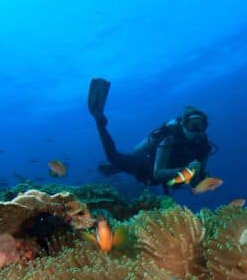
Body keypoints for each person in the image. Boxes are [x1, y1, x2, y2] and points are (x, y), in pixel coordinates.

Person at [88, 78, 216, 194]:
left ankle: (116, 168)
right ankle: (98, 115)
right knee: (114, 157)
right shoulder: (169, 139)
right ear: (183, 125)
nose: (195, 130)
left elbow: (197, 177)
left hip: (171, 178)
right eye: (191, 125)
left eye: (200, 125)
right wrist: (186, 170)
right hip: (145, 167)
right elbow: (157, 173)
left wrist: (204, 182)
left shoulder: (203, 147)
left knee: (119, 165)